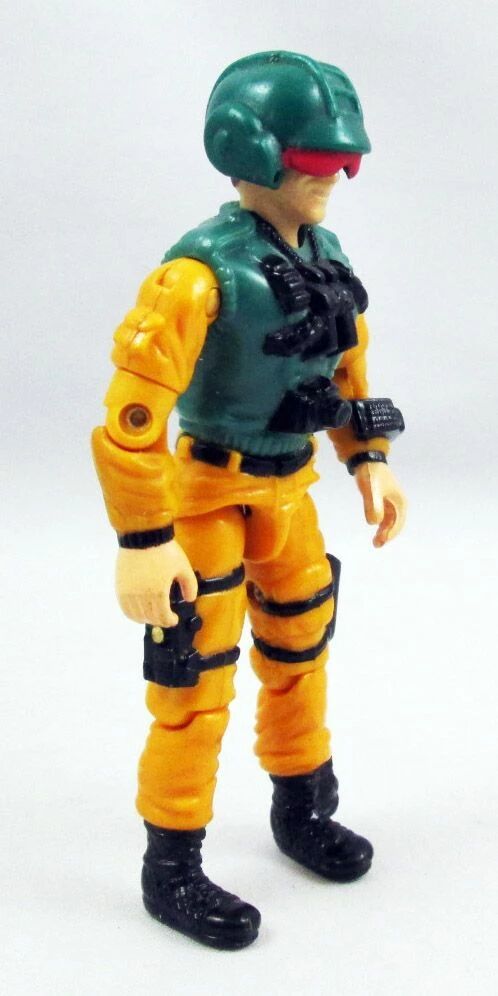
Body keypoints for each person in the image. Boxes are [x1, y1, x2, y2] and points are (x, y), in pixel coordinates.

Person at [92, 50, 407, 950]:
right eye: (316, 160)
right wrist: (144, 538)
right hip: (205, 497)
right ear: (254, 153)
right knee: (194, 682)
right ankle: (172, 864)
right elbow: (132, 414)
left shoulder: (326, 257)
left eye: (342, 160)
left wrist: (367, 457)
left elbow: (346, 366)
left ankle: (302, 808)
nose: (335, 176)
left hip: (289, 489)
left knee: (301, 654)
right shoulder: (197, 275)